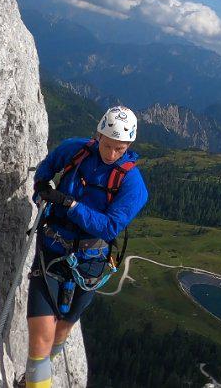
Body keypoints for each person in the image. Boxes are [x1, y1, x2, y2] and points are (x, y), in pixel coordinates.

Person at [18, 106, 149, 388]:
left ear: (128, 146)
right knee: (41, 334)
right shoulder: (75, 150)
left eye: (119, 148)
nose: (111, 153)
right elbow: (48, 166)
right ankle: (35, 379)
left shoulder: (133, 185)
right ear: (98, 135)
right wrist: (41, 185)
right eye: (107, 144)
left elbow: (109, 227)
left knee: (64, 327)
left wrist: (69, 203)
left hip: (91, 263)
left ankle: (38, 374)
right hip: (52, 249)